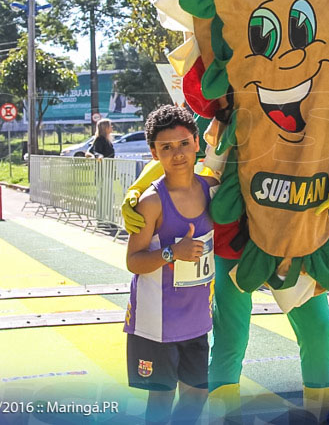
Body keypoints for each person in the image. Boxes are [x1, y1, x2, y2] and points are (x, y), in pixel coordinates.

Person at [124, 105, 215, 423]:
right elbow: (133, 262)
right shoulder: (151, 201)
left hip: (197, 319)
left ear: (196, 143)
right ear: (154, 152)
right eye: (166, 147)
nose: (178, 154)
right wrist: (171, 252)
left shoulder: (211, 189)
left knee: (197, 398)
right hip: (156, 322)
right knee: (161, 404)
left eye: (183, 144)